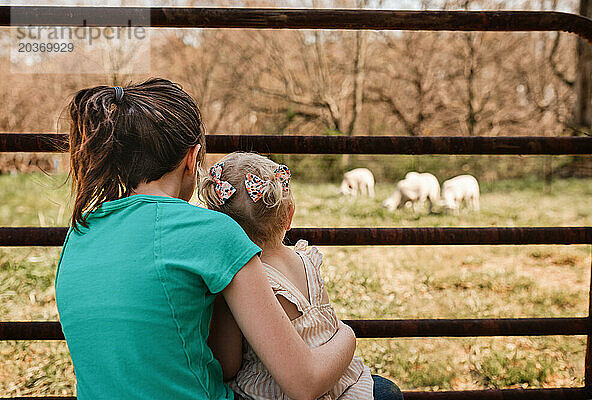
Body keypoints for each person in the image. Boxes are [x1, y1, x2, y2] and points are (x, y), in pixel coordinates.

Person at [54, 78, 357, 400]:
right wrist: (347, 334)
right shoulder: (211, 231)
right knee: (383, 389)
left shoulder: (80, 230)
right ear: (192, 158)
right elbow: (304, 383)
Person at [200, 152, 404, 400]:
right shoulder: (307, 260)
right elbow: (327, 324)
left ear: (219, 228)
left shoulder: (241, 281)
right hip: (346, 385)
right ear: (289, 215)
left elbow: (227, 364)